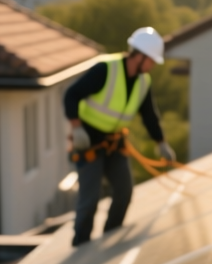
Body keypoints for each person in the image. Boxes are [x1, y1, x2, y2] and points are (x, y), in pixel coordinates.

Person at [65, 26, 174, 247]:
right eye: (151, 60)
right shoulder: (105, 70)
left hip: (114, 143)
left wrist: (161, 142)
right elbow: (71, 95)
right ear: (139, 56)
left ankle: (110, 236)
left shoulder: (143, 82)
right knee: (90, 198)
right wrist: (76, 128)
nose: (152, 66)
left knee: (124, 191)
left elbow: (149, 115)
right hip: (89, 142)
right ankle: (81, 244)